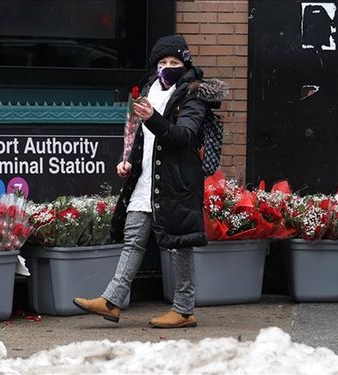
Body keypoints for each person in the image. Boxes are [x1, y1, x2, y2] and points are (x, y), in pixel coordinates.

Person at [73, 35, 227, 328]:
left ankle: (183, 309)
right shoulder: (149, 90)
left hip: (177, 181)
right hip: (146, 179)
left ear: (185, 64)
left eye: (174, 62)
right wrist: (128, 159)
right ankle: (113, 300)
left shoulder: (193, 94)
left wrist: (154, 117)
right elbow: (143, 136)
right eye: (162, 62)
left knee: (179, 244)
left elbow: (184, 136)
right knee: (133, 238)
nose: (167, 67)